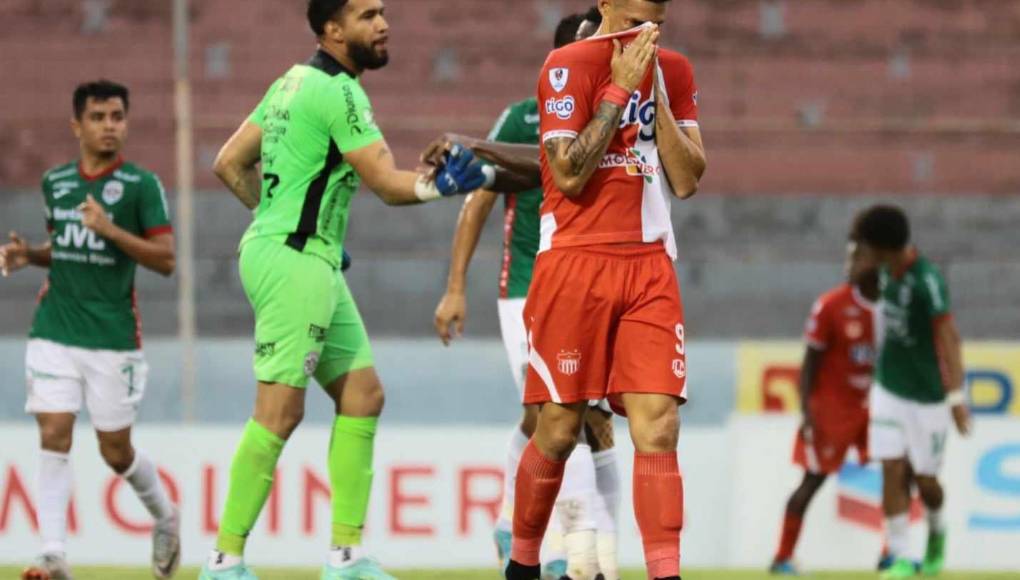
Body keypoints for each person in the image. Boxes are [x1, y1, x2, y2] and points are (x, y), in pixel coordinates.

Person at [202, 1, 490, 578]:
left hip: (304, 256)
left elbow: (229, 162)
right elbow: (386, 184)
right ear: (332, 30)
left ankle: (345, 559)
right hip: (296, 262)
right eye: (366, 15)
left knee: (363, 396)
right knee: (279, 412)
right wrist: (443, 188)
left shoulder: (290, 82)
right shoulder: (340, 93)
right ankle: (222, 563)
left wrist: (282, 217)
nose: (383, 24)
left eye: (382, 12)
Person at [505, 0, 707, 577]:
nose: (650, 29)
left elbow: (688, 180)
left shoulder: (676, 68)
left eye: (658, 21)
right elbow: (567, 174)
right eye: (639, 16)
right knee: (561, 428)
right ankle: (521, 564)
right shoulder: (566, 66)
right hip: (575, 262)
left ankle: (664, 572)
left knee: (659, 425)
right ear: (607, 3)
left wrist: (656, 91)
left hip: (649, 266)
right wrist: (618, 91)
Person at [432, 10, 620, 580]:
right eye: (589, 48)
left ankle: (512, 519)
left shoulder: (617, 114)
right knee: (561, 415)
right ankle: (582, 558)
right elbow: (480, 199)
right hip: (527, 291)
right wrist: (456, 287)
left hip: (594, 287)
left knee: (577, 421)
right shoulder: (526, 116)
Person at [0, 80, 181, 580]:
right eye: (99, 117)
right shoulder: (56, 182)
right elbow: (67, 248)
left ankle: (165, 516)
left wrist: (112, 230)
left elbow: (166, 260)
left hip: (113, 337)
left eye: (117, 117)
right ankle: (53, 554)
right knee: (54, 432)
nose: (110, 126)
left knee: (114, 450)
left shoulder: (142, 187)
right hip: (54, 326)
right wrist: (30, 255)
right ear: (76, 125)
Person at [853, 205, 971, 579]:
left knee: (926, 483)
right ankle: (901, 556)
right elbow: (855, 278)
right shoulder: (881, 270)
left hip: (929, 396)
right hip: (888, 387)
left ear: (883, 247)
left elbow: (950, 338)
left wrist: (956, 397)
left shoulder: (928, 280)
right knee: (890, 467)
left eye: (867, 246)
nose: (863, 251)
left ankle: (937, 532)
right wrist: (857, 257)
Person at [770, 225, 880, 575]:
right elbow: (810, 363)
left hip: (873, 408)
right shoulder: (831, 305)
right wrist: (806, 412)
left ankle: (895, 552)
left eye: (858, 257)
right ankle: (783, 557)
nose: (850, 263)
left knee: (899, 470)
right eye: (849, 256)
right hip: (831, 410)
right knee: (812, 482)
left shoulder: (890, 309)